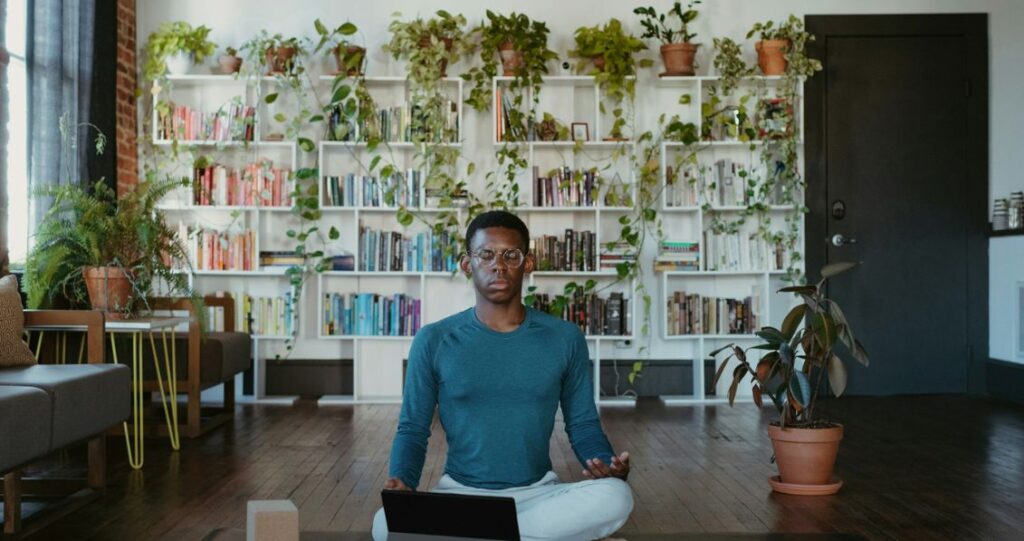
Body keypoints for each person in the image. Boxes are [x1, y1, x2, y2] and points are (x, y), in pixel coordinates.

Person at [372, 210, 633, 541]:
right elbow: (412, 428)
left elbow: (582, 425)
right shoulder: (435, 339)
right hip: (460, 495)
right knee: (383, 524)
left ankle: (481, 535)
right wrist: (403, 482)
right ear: (468, 264)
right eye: (486, 254)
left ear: (528, 264)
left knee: (616, 497)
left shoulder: (564, 338)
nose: (499, 264)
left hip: (538, 494)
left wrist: (608, 466)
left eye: (511, 255)